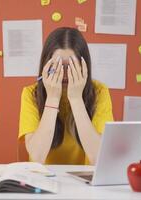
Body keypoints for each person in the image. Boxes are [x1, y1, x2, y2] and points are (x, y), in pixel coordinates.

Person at [18, 27, 113, 165]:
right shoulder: (30, 94)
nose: (64, 74)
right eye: (57, 66)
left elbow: (98, 158)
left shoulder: (99, 92)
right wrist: (52, 98)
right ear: (45, 66)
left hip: (85, 180)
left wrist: (76, 99)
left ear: (84, 67)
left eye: (72, 66)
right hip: (44, 179)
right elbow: (37, 156)